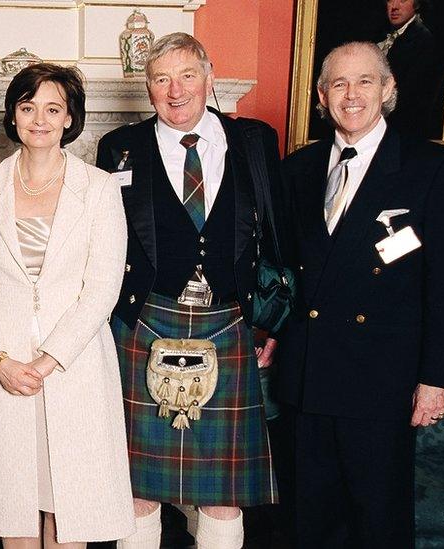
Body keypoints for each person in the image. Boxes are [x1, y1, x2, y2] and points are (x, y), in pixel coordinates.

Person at [276, 41, 444, 548]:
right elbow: (284, 270)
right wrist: (270, 330)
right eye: (338, 83)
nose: (351, 94)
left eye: (365, 81)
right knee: (307, 524)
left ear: (388, 89)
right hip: (307, 378)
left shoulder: (433, 167)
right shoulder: (298, 169)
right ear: (322, 96)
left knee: (377, 524)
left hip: (381, 381)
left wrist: (436, 378)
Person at [96, 32, 282, 548]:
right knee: (138, 488)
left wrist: (274, 321)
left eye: (187, 75)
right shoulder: (119, 148)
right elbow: (103, 240)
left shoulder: (254, 141)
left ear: (209, 77)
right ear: (148, 87)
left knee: (223, 492)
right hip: (146, 322)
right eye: (161, 79)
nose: (175, 91)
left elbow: (279, 235)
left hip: (231, 320)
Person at [0, 62, 134, 548]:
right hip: (1, 373)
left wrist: (49, 360)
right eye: (28, 107)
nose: (39, 119)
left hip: (71, 370)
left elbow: (102, 286)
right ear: (13, 116)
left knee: (69, 510)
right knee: (14, 511)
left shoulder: (99, 188)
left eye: (53, 108)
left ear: (70, 118)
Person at [377, 0, 444, 138]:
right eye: (390, 0)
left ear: (417, 4)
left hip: (400, 130)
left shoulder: (423, 41)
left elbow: (411, 98)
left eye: (402, 0)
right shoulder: (382, 34)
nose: (394, 6)